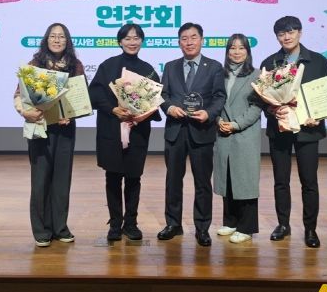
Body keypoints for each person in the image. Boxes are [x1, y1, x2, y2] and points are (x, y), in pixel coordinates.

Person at [260, 16, 327, 248]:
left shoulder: (318, 61)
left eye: (291, 32)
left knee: (309, 181)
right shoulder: (270, 62)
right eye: (281, 34)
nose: (286, 37)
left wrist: (318, 115)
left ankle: (310, 229)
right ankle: (283, 225)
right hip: (279, 129)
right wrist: (272, 109)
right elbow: (262, 98)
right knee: (280, 180)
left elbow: (326, 94)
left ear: (300, 32)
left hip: (308, 130)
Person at [13, 23, 84, 248]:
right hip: (40, 126)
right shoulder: (34, 65)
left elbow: (81, 97)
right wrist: (25, 112)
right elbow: (19, 95)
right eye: (53, 36)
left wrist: (70, 114)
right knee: (41, 179)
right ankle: (41, 230)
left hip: (65, 128)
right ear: (46, 40)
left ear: (67, 41)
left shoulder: (75, 65)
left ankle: (60, 227)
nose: (57, 40)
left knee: (62, 180)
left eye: (61, 37)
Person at [88, 24, 161, 242]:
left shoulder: (148, 70)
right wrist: (113, 109)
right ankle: (114, 224)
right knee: (112, 177)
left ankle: (131, 223)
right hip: (111, 129)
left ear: (142, 41)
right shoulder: (107, 66)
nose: (132, 42)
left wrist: (141, 114)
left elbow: (157, 101)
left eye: (136, 38)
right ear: (120, 41)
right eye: (128, 38)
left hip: (138, 131)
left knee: (133, 178)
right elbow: (94, 95)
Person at [158, 22, 226, 247]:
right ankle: (173, 224)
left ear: (202, 40)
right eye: (184, 38)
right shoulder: (170, 67)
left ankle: (202, 227)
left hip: (202, 131)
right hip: (175, 132)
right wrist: (169, 107)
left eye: (193, 37)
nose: (189, 42)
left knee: (202, 182)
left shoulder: (214, 67)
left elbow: (219, 96)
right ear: (179, 43)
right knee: (173, 181)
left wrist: (209, 113)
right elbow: (162, 94)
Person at [213, 34, 263, 244]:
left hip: (245, 134)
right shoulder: (219, 74)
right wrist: (218, 120)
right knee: (227, 178)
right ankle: (230, 221)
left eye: (241, 48)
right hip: (222, 132)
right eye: (232, 48)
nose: (236, 52)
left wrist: (236, 124)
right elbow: (213, 100)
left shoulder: (257, 74)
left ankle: (247, 227)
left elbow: (257, 107)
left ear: (248, 52)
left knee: (245, 181)